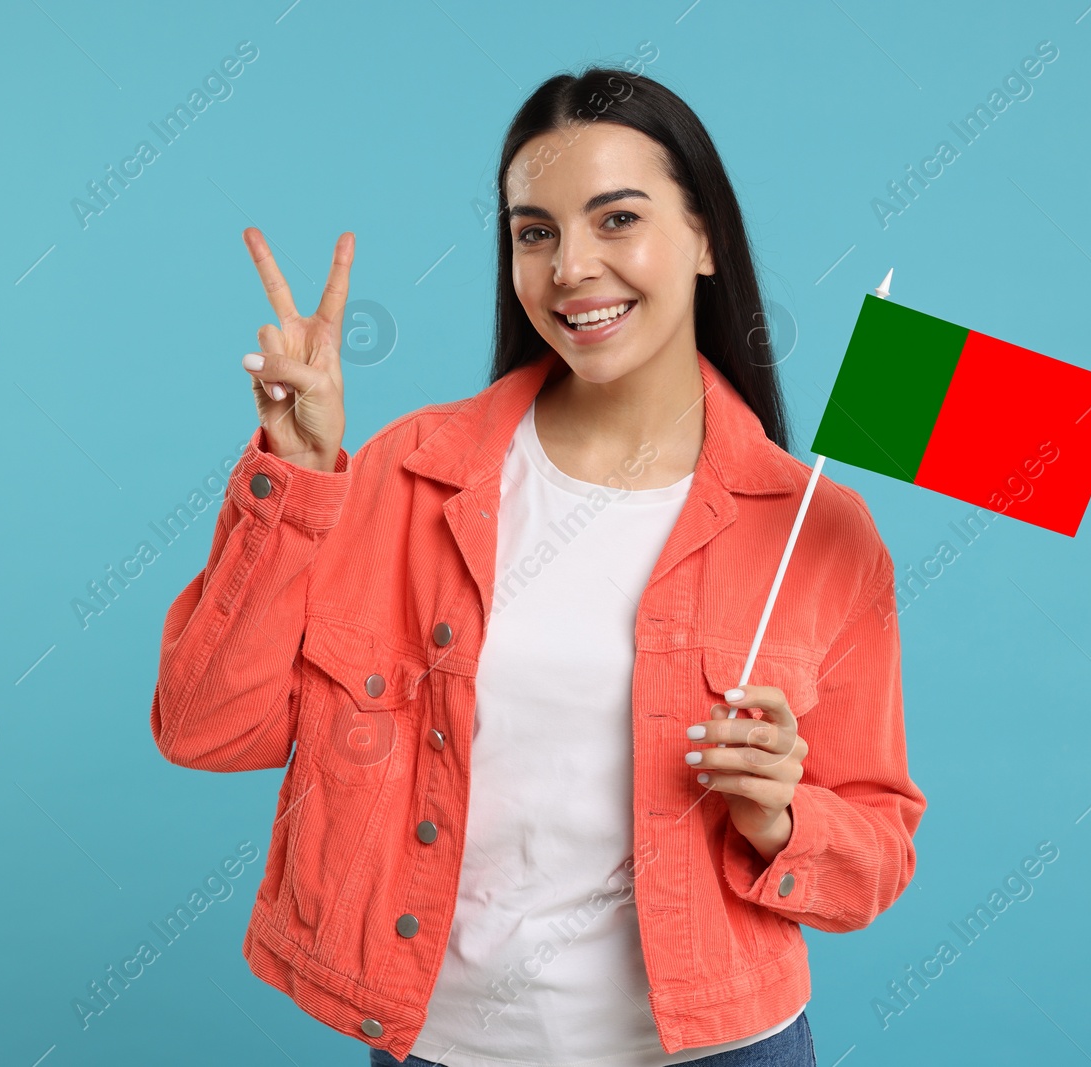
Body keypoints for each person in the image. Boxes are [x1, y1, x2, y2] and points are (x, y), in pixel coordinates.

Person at [151, 65, 925, 1067]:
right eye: (536, 232)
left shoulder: (817, 529)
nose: (571, 267)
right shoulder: (403, 476)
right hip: (442, 1046)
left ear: (702, 239)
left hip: (720, 1048)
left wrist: (779, 815)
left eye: (617, 220)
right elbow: (205, 724)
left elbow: (878, 854)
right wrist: (295, 483)